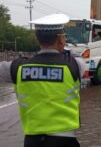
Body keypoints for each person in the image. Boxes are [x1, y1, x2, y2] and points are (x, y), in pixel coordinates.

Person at [0, 14, 86, 147]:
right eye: (63, 36)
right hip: (65, 141)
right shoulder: (75, 65)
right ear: (61, 40)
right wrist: (65, 48)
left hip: (32, 141)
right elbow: (78, 58)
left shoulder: (17, 68)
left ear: (37, 39)